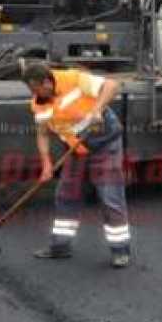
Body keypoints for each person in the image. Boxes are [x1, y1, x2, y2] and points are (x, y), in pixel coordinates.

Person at [23, 62, 132, 269]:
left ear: (47, 82)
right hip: (76, 148)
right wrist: (46, 164)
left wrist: (97, 110)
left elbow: (111, 85)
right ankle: (60, 247)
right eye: (31, 90)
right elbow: (43, 133)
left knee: (109, 196)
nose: (36, 94)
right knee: (66, 194)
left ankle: (120, 251)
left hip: (105, 142)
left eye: (37, 89)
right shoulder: (39, 102)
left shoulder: (73, 79)